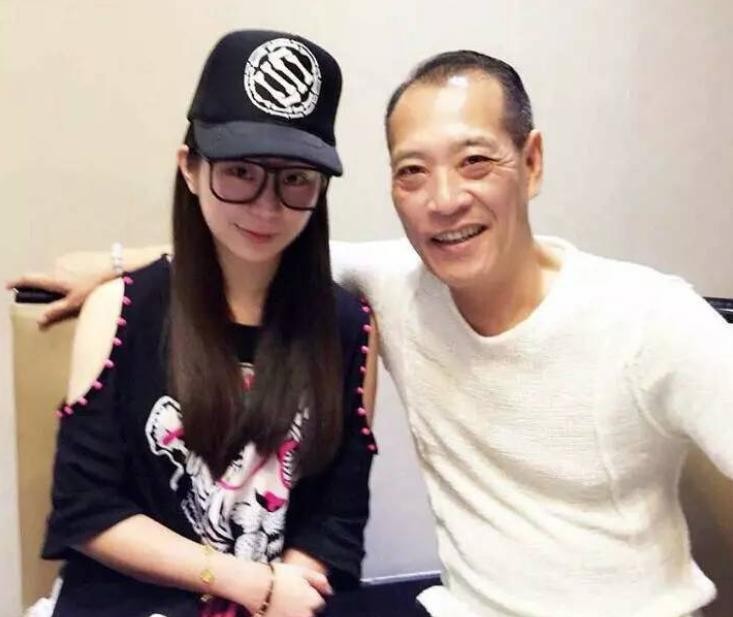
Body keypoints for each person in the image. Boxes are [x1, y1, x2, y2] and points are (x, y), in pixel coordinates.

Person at [11, 50, 732, 617]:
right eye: (412, 171)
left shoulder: (650, 317)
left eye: (475, 161)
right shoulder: (400, 283)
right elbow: (250, 242)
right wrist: (120, 264)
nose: (444, 199)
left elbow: (267, 233)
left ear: (532, 161)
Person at [21, 29, 379, 617]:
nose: (266, 206)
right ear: (189, 167)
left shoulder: (348, 327)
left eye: (295, 178)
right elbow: (87, 509)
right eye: (239, 171)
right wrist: (247, 583)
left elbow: (334, 520)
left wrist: (284, 591)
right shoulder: (122, 310)